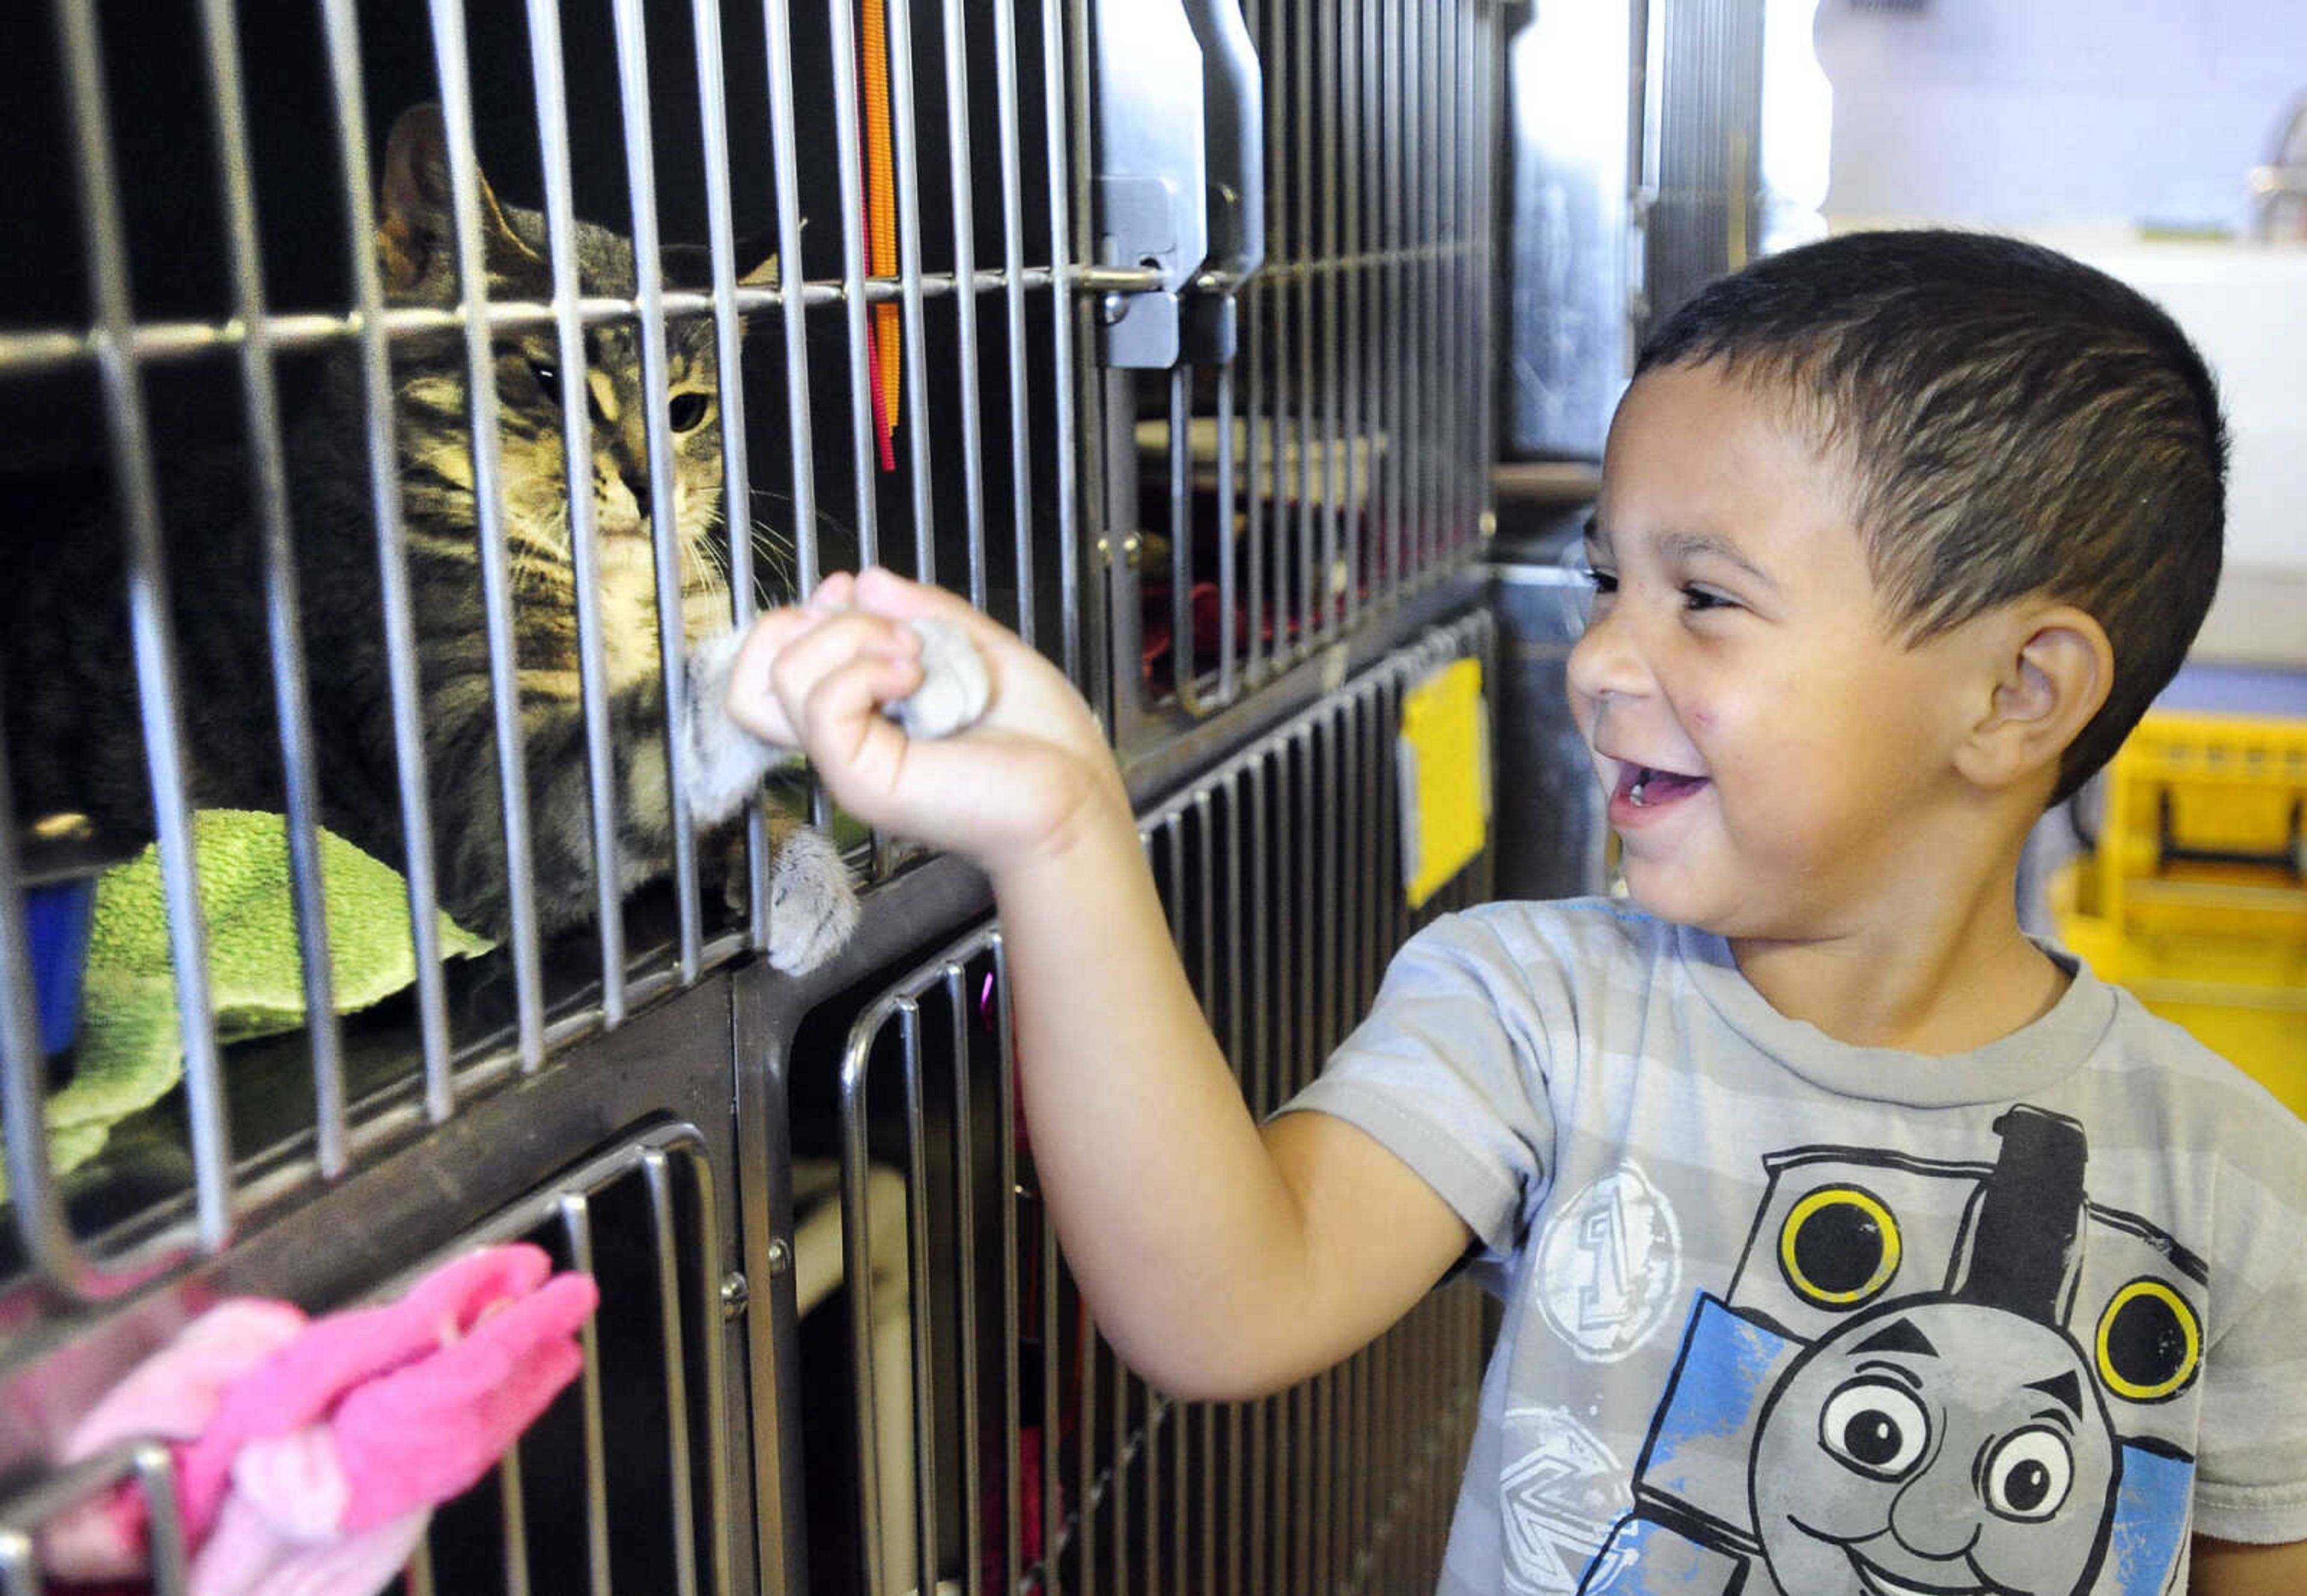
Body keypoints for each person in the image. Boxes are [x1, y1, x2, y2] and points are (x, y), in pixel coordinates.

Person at [726, 230, 2307, 1596]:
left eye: (1702, 595)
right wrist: (1066, 827)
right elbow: (1218, 1304)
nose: (1602, 656)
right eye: (1605, 576)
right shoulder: (1539, 1009)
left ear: (2017, 694)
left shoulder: (2240, 1186)